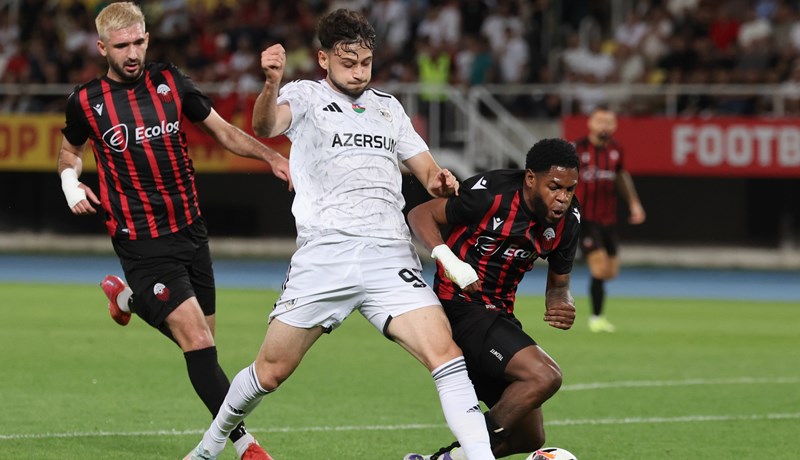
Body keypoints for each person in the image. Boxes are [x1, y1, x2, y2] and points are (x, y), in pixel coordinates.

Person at [184, 8, 495, 460]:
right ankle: (210, 447)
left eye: (365, 63)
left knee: (446, 354)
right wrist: (270, 82)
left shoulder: (388, 108)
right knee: (271, 371)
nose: (359, 72)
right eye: (348, 63)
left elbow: (428, 173)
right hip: (326, 253)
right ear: (324, 58)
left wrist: (442, 181)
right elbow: (266, 126)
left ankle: (481, 457)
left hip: (389, 254)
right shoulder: (305, 96)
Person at [56, 3, 291, 460]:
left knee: (204, 343)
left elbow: (222, 131)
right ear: (102, 48)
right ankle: (245, 446)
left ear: (147, 38)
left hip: (190, 228)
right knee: (197, 342)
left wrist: (271, 157)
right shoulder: (86, 100)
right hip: (140, 237)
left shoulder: (170, 81)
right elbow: (69, 151)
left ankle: (127, 300)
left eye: (138, 42)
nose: (132, 54)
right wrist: (70, 183)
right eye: (121, 46)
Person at [403, 138, 580, 459]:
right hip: (459, 307)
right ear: (530, 178)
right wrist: (450, 261)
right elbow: (420, 214)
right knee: (544, 376)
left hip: (498, 316)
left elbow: (559, 284)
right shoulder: (492, 194)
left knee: (529, 436)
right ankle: (473, 449)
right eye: (554, 187)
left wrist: (561, 301)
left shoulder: (568, 221)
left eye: (570, 189)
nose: (563, 198)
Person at [572, 107, 645, 333]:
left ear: (614, 126)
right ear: (590, 123)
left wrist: (634, 203)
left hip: (608, 219)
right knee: (600, 268)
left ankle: (596, 312)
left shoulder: (616, 149)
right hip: (585, 219)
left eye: (609, 122)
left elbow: (621, 175)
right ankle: (596, 318)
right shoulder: (577, 149)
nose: (604, 126)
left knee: (610, 272)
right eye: (600, 121)